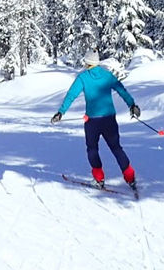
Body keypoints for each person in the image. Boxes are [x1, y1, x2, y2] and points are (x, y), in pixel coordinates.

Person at [51, 51, 141, 191]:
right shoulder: (107, 75)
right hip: (109, 119)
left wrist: (61, 112)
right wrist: (132, 105)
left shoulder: (83, 78)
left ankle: (99, 179)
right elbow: (121, 90)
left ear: (87, 62)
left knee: (92, 149)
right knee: (116, 148)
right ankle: (130, 177)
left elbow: (71, 95)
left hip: (92, 121)